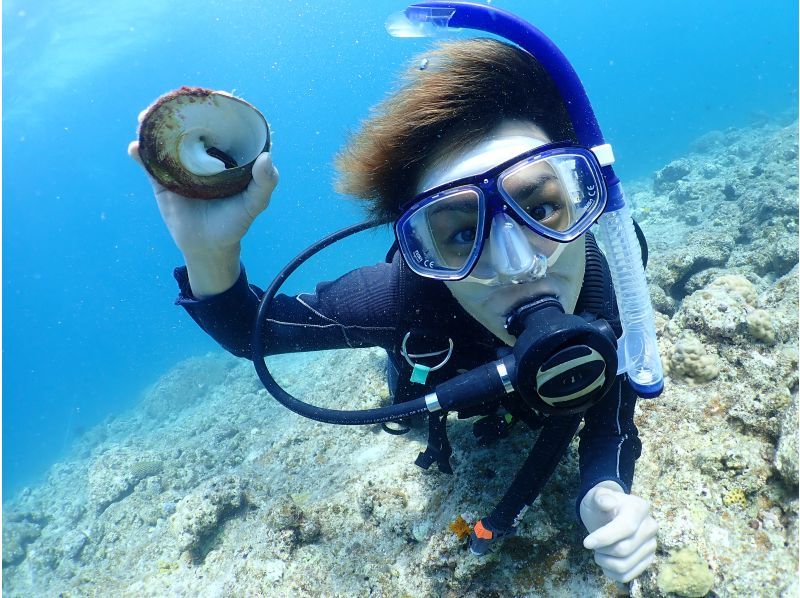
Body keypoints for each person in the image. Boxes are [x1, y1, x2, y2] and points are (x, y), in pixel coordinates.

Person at [129, 18, 657, 586]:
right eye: (458, 234)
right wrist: (211, 252)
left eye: (543, 208)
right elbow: (253, 332)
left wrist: (604, 490)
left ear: (588, 200)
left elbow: (612, 405)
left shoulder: (615, 275)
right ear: (419, 251)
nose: (519, 261)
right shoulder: (400, 300)